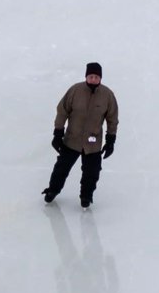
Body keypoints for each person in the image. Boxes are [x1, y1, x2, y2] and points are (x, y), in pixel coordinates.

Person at [42, 62, 119, 209]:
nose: (93, 79)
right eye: (91, 76)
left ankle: (86, 196)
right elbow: (62, 111)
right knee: (61, 169)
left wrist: (111, 140)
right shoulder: (75, 90)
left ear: (100, 78)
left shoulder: (107, 95)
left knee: (92, 173)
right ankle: (53, 190)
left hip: (93, 143)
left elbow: (112, 119)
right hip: (72, 140)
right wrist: (58, 133)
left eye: (96, 77)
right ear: (86, 76)